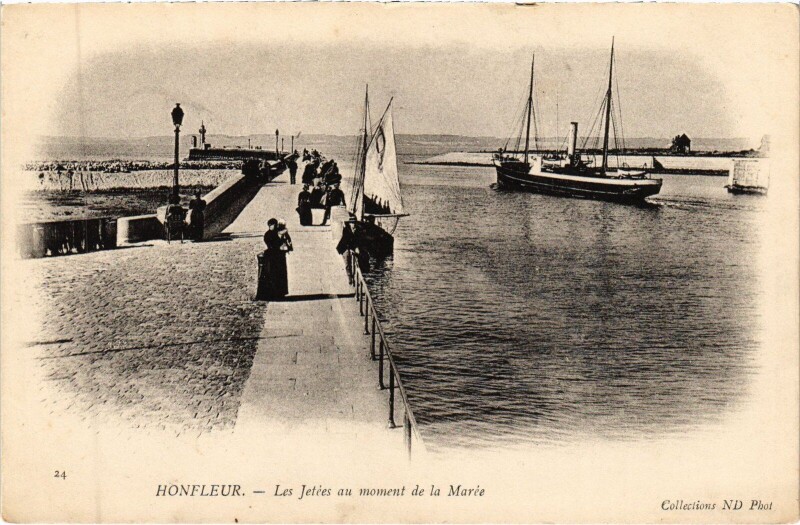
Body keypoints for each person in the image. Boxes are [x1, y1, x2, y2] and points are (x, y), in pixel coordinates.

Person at [260, 218, 289, 299]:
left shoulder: (278, 233)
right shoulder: (268, 234)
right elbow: (271, 244)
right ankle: (273, 293)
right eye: (273, 225)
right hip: (272, 257)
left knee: (279, 274)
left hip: (278, 256)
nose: (275, 226)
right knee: (273, 274)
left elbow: (283, 242)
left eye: (275, 225)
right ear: (269, 226)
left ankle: (280, 293)